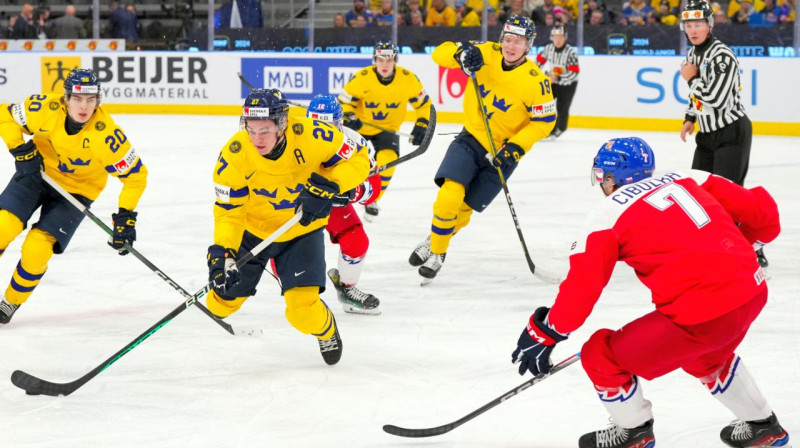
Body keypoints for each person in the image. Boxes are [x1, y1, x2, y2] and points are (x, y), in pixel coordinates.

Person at [510, 137, 787, 448]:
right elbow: (764, 215)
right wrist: (737, 251)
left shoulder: (606, 215)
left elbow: (583, 288)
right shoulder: (688, 176)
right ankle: (763, 426)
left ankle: (633, 433)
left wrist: (546, 330)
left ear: (611, 179)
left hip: (701, 314)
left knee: (601, 356)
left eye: (602, 178)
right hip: (752, 290)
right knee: (707, 357)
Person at [206, 88, 370, 365]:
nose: (257, 139)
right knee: (218, 303)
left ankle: (326, 329)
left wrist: (331, 184)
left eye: (265, 130)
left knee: (302, 313)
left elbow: (358, 159)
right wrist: (223, 251)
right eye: (251, 129)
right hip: (253, 232)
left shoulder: (314, 134)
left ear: (282, 124)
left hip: (301, 232)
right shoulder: (233, 156)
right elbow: (229, 213)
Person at [408, 16, 556, 283]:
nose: (511, 47)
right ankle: (439, 254)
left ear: (528, 46)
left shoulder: (536, 81)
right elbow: (439, 54)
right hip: (471, 139)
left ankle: (434, 240)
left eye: (518, 42)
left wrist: (515, 148)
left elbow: (545, 122)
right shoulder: (485, 52)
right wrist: (462, 53)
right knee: (448, 196)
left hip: (504, 154)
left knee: (463, 210)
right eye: (508, 40)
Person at [0, 69, 148, 324]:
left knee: (37, 250)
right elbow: (5, 115)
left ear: (98, 101)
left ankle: (11, 301)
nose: (84, 106)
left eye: (91, 100)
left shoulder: (107, 135)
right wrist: (21, 150)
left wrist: (126, 216)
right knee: (3, 227)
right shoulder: (43, 108)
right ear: (66, 98)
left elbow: (136, 176)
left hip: (77, 192)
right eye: (78, 99)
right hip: (38, 175)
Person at [678, 1, 765, 268]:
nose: (693, 30)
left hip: (732, 132)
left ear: (710, 25)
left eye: (698, 24)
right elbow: (698, 97)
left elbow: (715, 97)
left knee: (730, 197)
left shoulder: (722, 56)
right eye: (688, 25)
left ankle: (753, 245)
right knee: (698, 192)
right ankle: (708, 244)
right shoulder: (693, 55)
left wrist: (691, 79)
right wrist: (691, 117)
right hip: (707, 135)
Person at [337, 41, 433, 222]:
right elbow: (343, 102)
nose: (385, 64)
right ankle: (341, 194)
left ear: (395, 60)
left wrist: (422, 124)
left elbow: (425, 105)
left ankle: (373, 198)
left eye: (389, 59)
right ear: (374, 60)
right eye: (380, 59)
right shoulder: (362, 78)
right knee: (348, 161)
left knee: (388, 159)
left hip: (387, 129)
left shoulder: (408, 79)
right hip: (360, 129)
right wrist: (349, 116)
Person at [306, 94, 383, 315]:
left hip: (333, 204)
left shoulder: (357, 143)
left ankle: (347, 289)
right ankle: (301, 296)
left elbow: (374, 185)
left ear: (340, 123)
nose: (323, 132)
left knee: (356, 241)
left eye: (328, 125)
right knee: (288, 248)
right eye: (316, 125)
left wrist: (353, 192)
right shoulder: (294, 137)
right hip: (300, 202)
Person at [535, 26, 579, 139]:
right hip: (553, 81)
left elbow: (574, 72)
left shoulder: (571, 52)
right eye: (555, 37)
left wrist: (558, 78)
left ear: (565, 38)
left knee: (562, 107)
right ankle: (549, 128)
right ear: (552, 38)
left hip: (568, 84)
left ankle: (560, 128)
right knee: (547, 104)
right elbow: (537, 63)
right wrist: (536, 75)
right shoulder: (548, 49)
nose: (558, 40)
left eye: (560, 37)